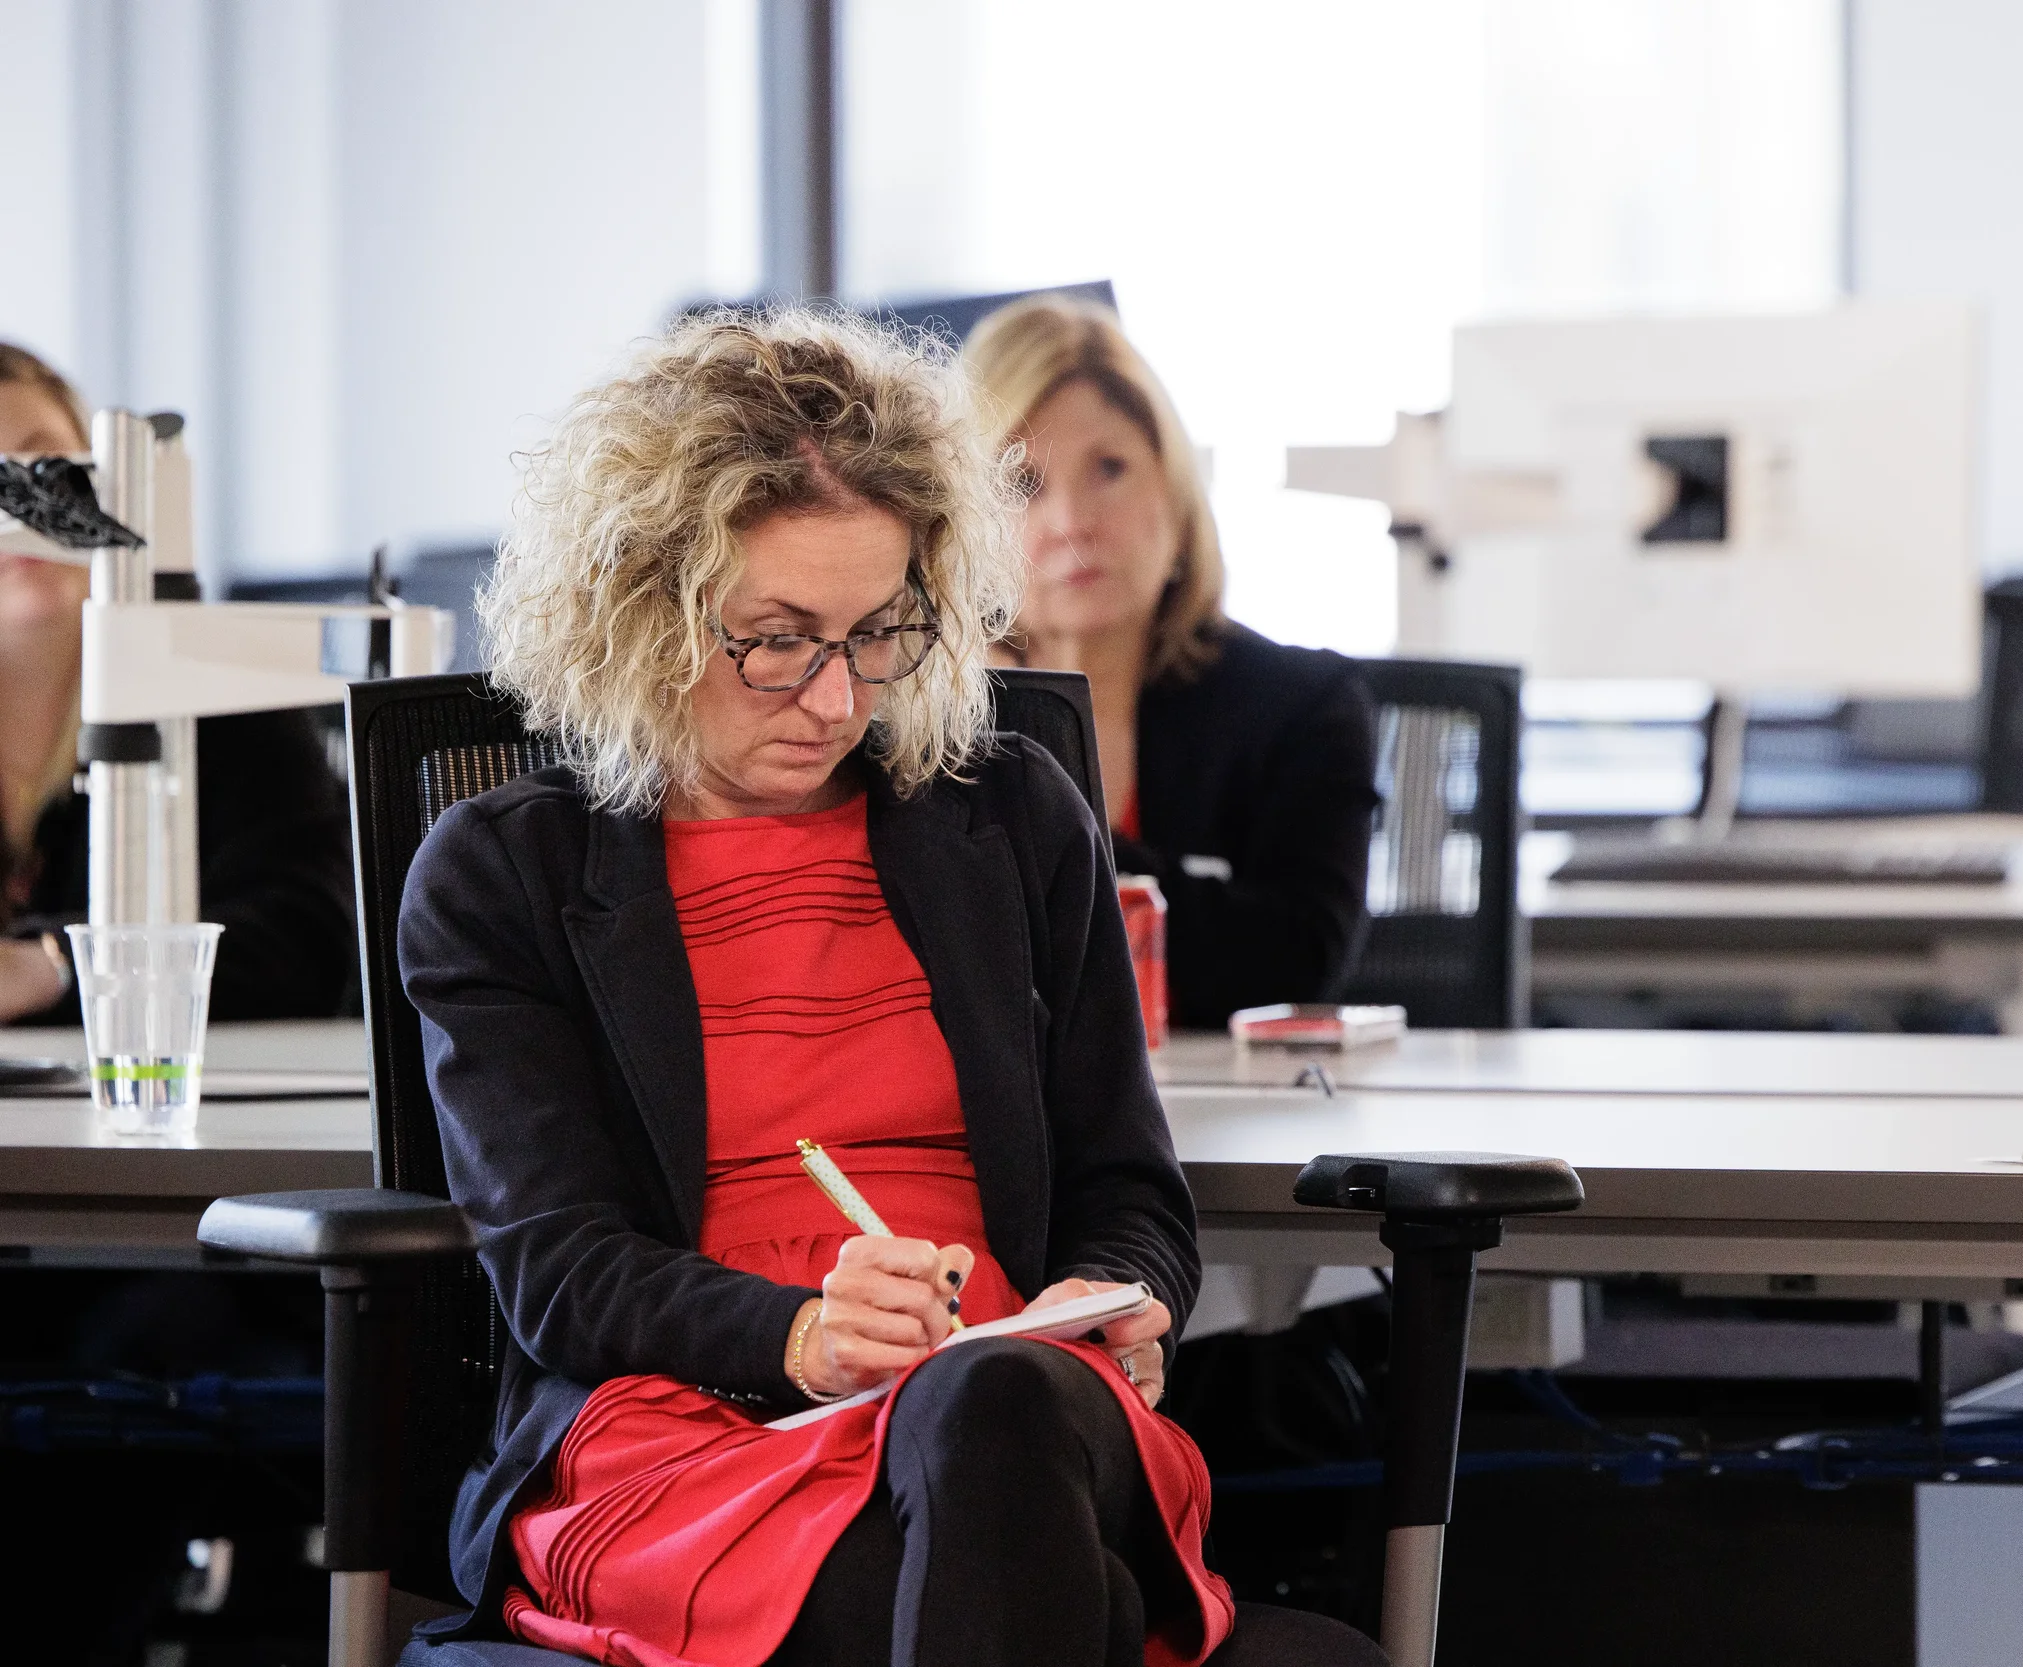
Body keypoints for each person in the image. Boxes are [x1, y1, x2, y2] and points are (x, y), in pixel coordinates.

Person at [400, 308, 1247, 1667]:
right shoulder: (508, 870)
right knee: (1031, 1587)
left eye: (879, 630)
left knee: (988, 1413)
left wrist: (1127, 1291)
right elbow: (559, 1270)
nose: (836, 695)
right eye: (778, 638)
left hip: (1016, 1399)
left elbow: (1128, 1187)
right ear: (644, 617)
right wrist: (803, 1333)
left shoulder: (1012, 816)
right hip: (685, 1426)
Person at [961, 299, 1377, 1031]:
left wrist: (1049, 833)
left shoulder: (1304, 706)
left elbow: (1297, 960)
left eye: (1110, 468)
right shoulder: (919, 715)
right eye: (1022, 485)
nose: (1071, 522)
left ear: (1176, 495)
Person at [0, 343, 355, 1025]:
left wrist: (52, 970)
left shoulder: (213, 686)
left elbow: (307, 942)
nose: (26, 506)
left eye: (47, 466)